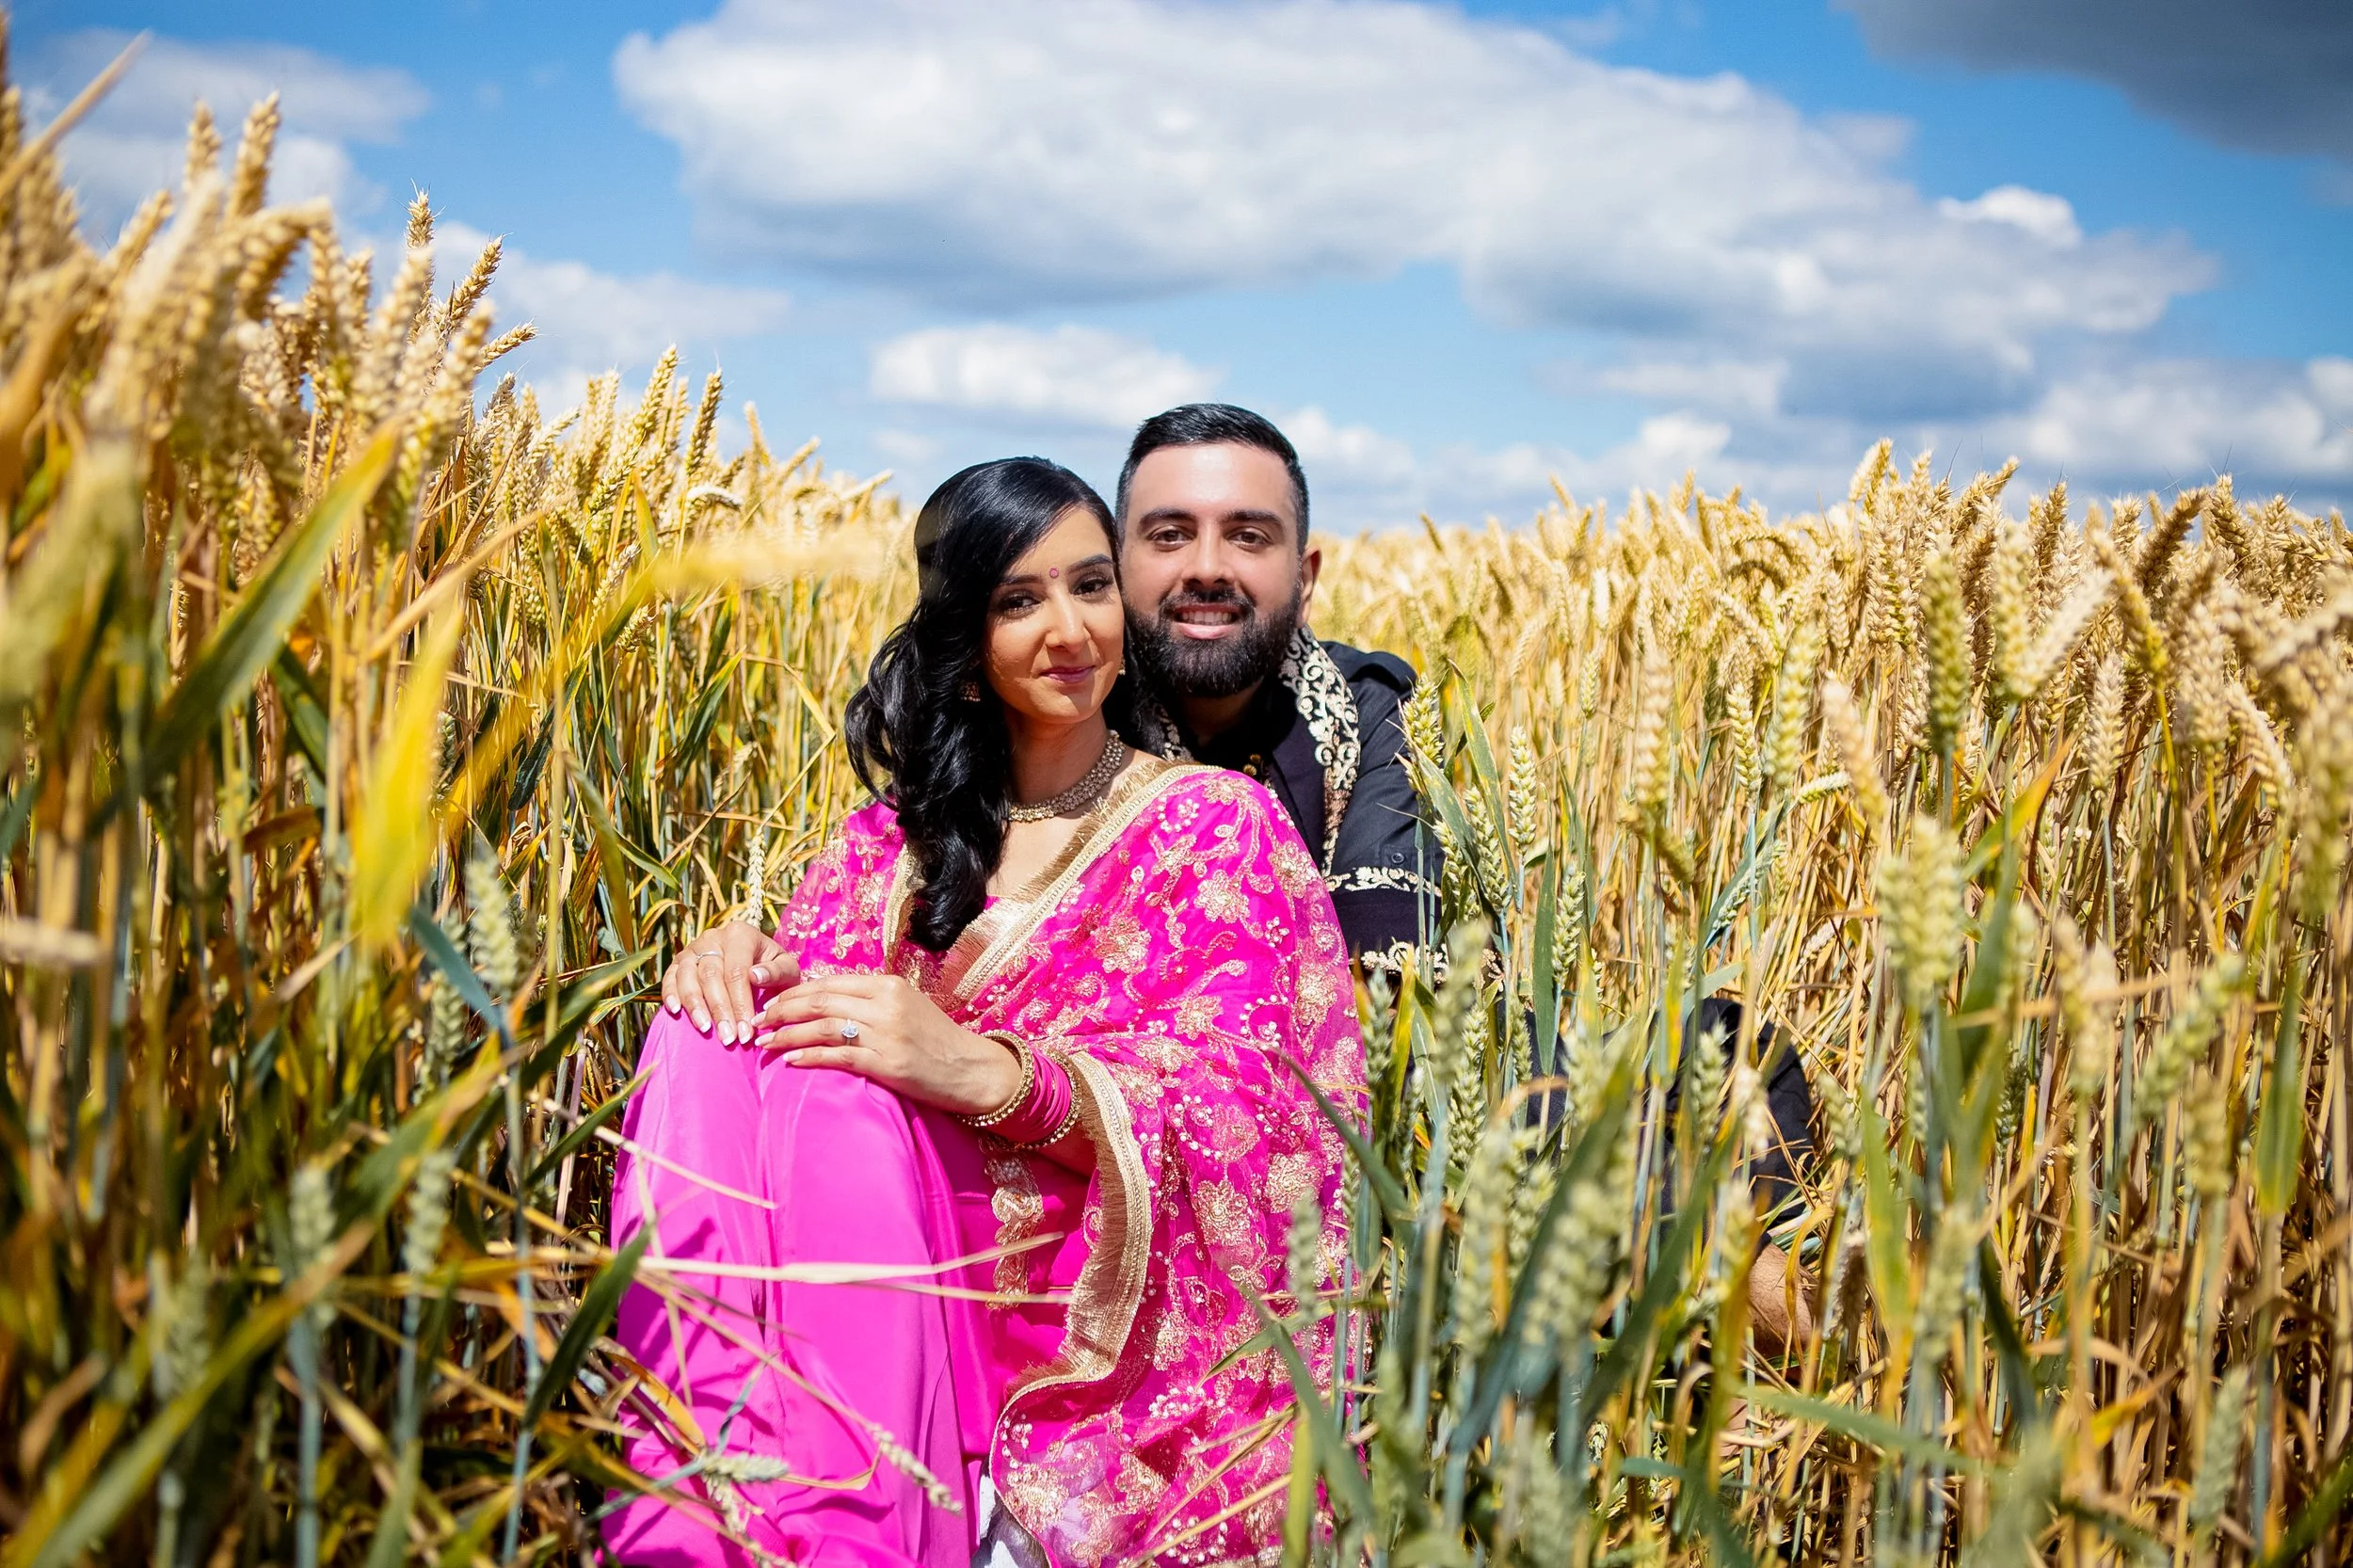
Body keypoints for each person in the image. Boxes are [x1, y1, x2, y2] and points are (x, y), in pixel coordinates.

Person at [606, 458, 1365, 1567]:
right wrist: (735, 964)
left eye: (1092, 584)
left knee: (837, 1103)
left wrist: (994, 1076)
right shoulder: (886, 846)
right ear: (966, 653)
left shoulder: (1212, 827)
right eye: (1019, 601)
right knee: (703, 1039)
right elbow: (793, 1052)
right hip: (863, 1273)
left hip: (1064, 1315)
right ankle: (693, 1503)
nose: (1069, 628)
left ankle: (859, 1525)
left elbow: (1257, 1109)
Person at [1113, 404, 1438, 971]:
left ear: (1304, 580)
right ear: (1114, 568)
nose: (1208, 567)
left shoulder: (1371, 712)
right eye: (1169, 535)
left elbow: (1386, 979)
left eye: (1248, 536)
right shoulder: (1063, 715)